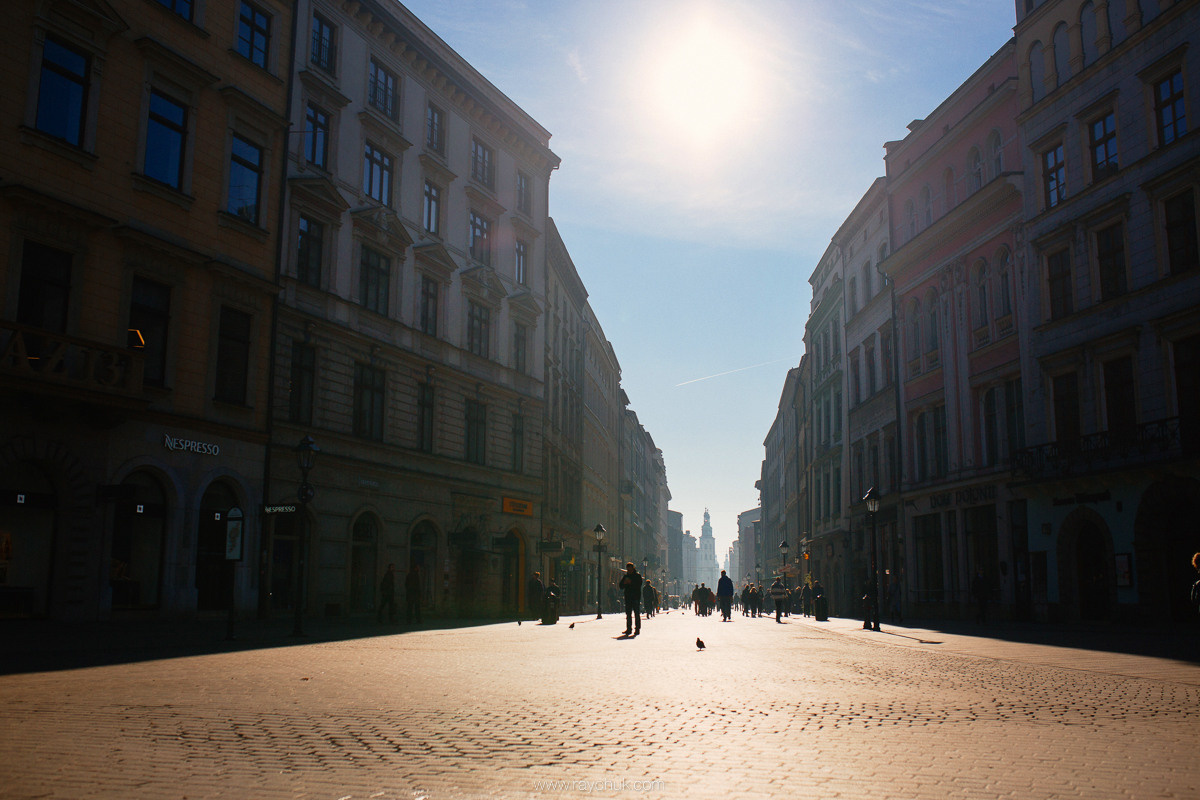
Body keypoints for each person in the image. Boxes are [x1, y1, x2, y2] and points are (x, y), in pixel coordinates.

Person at [619, 562, 643, 636]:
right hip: (628, 597)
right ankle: (629, 629)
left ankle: (637, 629)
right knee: (628, 614)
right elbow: (620, 586)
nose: (629, 571)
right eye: (628, 570)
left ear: (633, 568)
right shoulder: (626, 576)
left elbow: (639, 585)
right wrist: (625, 583)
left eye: (630, 569)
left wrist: (631, 582)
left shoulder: (637, 576)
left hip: (635, 597)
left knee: (636, 614)